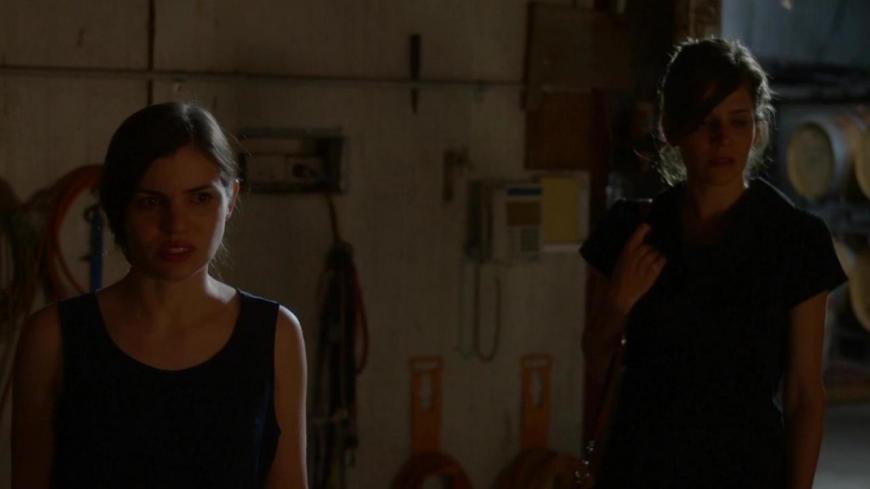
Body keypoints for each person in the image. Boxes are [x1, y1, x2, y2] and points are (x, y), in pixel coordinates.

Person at [580, 38, 847, 489]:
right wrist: (617, 304)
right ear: (671, 128)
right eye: (705, 122)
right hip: (642, 470)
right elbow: (596, 358)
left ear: (756, 129)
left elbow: (804, 394)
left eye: (738, 121)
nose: (723, 139)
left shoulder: (794, 240)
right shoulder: (634, 230)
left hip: (746, 472)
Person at [12, 102, 308, 488]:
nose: (176, 225)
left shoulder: (274, 334)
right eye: (151, 202)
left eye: (200, 198)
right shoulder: (53, 337)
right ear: (118, 207)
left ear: (231, 198)